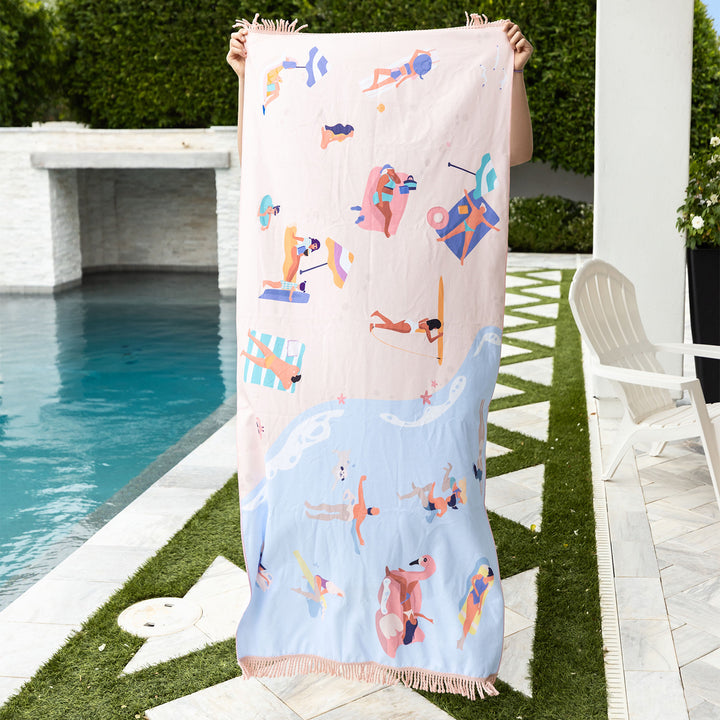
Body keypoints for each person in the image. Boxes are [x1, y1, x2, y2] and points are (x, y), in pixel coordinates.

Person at [227, 20, 533, 166]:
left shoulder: (430, 144)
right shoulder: (326, 155)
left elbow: (517, 152)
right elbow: (254, 157)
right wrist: (247, 78)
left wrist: (515, 70)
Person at [370, 312, 443, 344]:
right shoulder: (427, 328)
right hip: (408, 328)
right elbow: (430, 340)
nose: (435, 329)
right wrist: (439, 336)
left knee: (391, 325)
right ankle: (373, 325)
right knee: (390, 327)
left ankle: (378, 314)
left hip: (408, 322)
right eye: (436, 328)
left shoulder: (426, 320)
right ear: (434, 326)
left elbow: (419, 322)